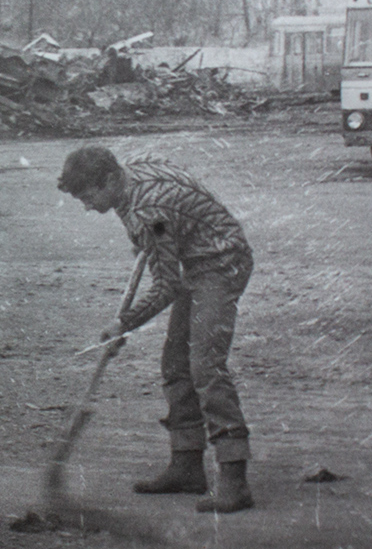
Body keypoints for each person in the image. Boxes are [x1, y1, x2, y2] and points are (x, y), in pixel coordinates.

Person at [56, 146, 255, 513]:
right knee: (176, 365)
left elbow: (167, 287)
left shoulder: (149, 212)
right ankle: (187, 466)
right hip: (192, 255)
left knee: (205, 366)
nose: (87, 206)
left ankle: (234, 478)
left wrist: (124, 323)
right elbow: (164, 199)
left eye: (89, 197)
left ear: (112, 179)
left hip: (221, 262)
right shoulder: (131, 173)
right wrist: (154, 242)